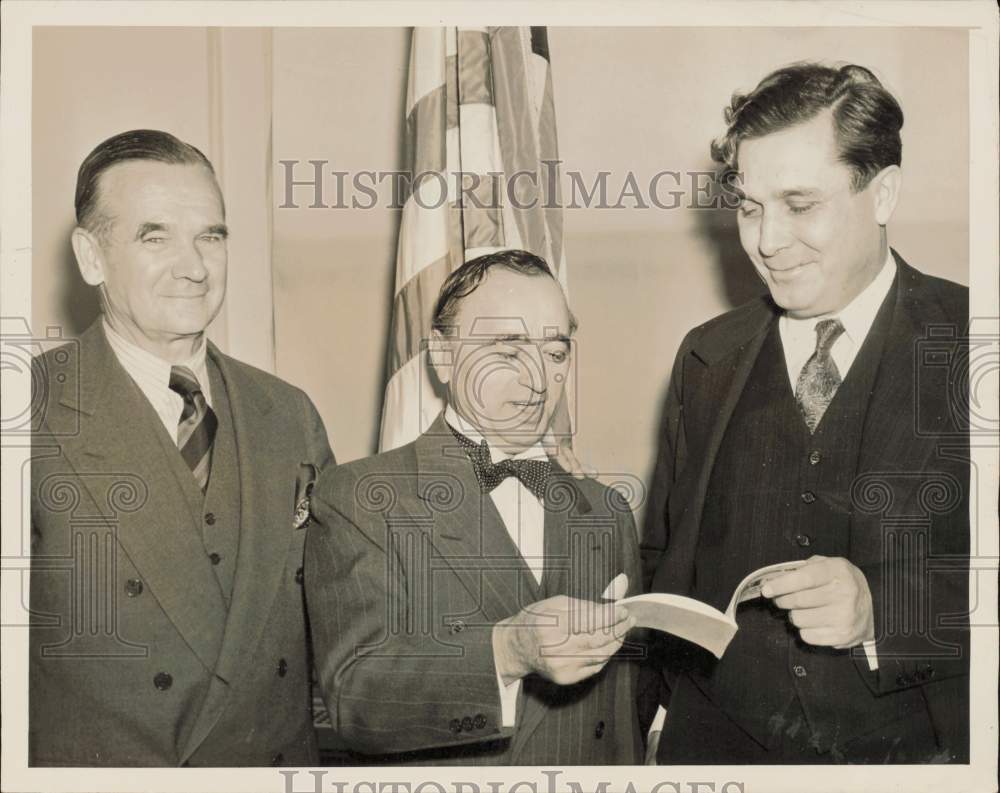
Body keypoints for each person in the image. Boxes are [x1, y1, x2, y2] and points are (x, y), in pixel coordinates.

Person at [641, 63, 969, 764]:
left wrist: (885, 610)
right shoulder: (706, 357)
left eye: (798, 202)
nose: (765, 240)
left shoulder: (975, 340)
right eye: (750, 205)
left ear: (882, 193)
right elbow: (662, 560)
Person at [29, 130, 335, 766]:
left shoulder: (288, 414)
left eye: (211, 236)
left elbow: (347, 618)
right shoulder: (27, 413)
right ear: (90, 257)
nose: (194, 265)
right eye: (155, 235)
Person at [305, 249, 642, 764]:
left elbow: (621, 722)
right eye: (508, 349)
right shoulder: (360, 498)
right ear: (442, 355)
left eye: (555, 352)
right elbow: (358, 703)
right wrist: (507, 651)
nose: (538, 378)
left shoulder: (605, 509)